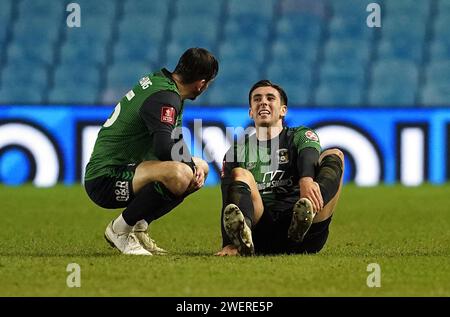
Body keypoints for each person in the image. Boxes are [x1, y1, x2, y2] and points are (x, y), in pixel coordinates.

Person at [84, 48, 219, 255]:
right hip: (106, 178)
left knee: (201, 166)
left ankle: (138, 227)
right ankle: (119, 230)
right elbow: (164, 147)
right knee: (181, 174)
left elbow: (174, 140)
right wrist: (189, 168)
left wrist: (194, 166)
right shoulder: (166, 97)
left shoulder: (163, 84)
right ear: (201, 84)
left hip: (128, 169)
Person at [216, 80, 344, 256]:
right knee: (240, 173)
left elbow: (309, 154)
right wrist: (229, 243)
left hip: (307, 231)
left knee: (335, 155)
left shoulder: (299, 135)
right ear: (251, 112)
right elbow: (228, 201)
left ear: (283, 110)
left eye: (270, 98)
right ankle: (241, 240)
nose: (263, 102)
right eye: (257, 99)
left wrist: (306, 178)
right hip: (262, 231)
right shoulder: (237, 150)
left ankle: (305, 215)